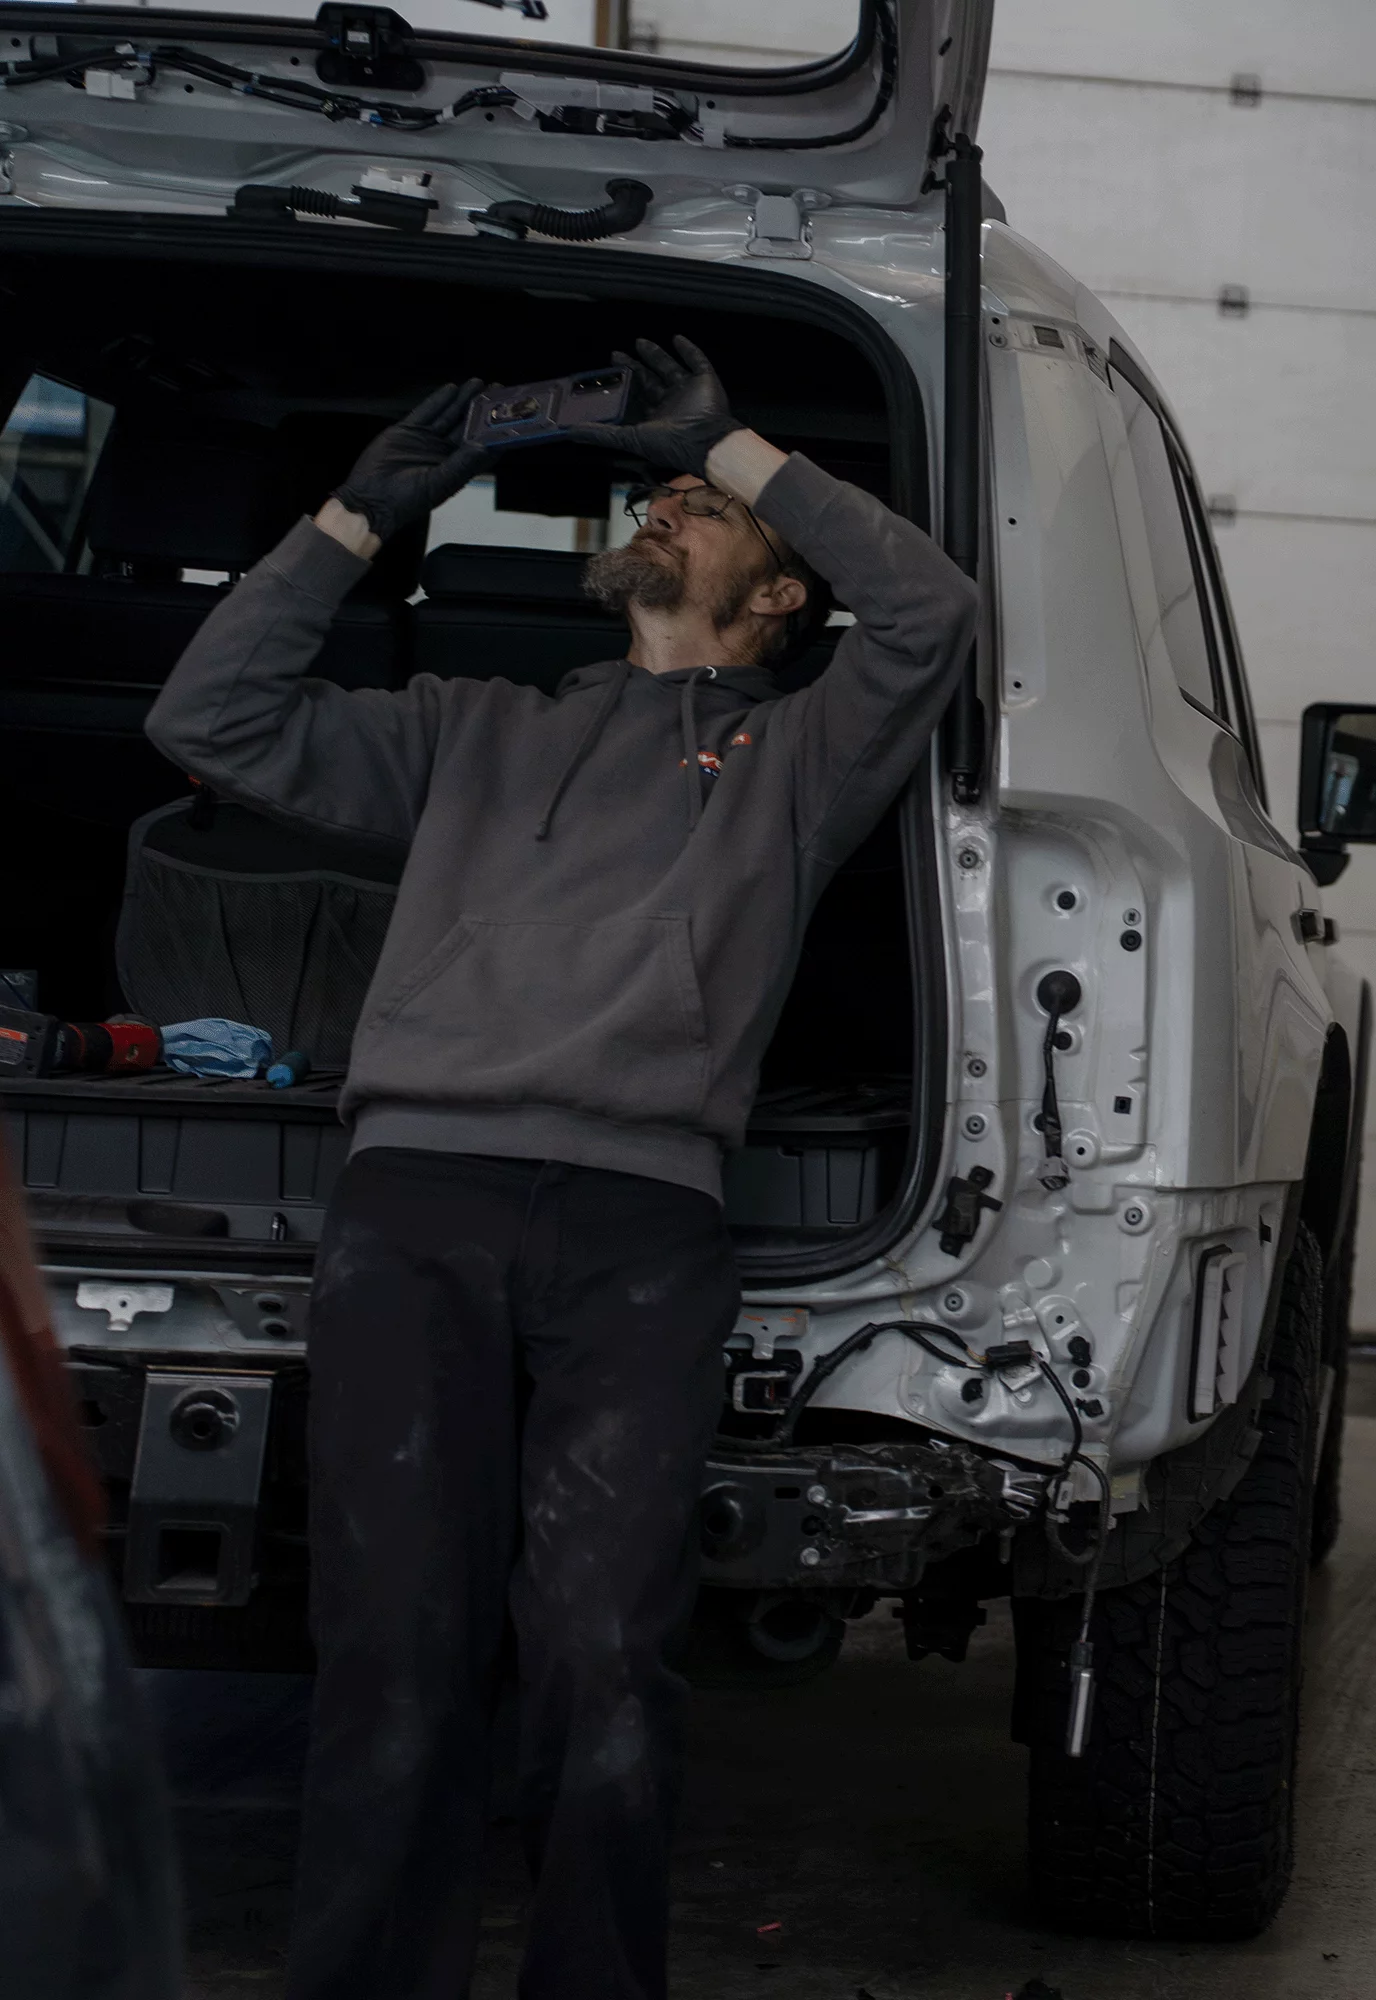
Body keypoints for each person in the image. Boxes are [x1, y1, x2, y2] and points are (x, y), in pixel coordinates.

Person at [144, 338, 977, 2000]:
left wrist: (736, 445)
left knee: (604, 1656)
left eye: (709, 507)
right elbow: (208, 716)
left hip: (641, 1228)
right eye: (667, 486)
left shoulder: (800, 762)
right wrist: (359, 513)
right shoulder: (475, 730)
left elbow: (936, 612)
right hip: (417, 1205)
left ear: (778, 605)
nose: (672, 498)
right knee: (393, 1653)